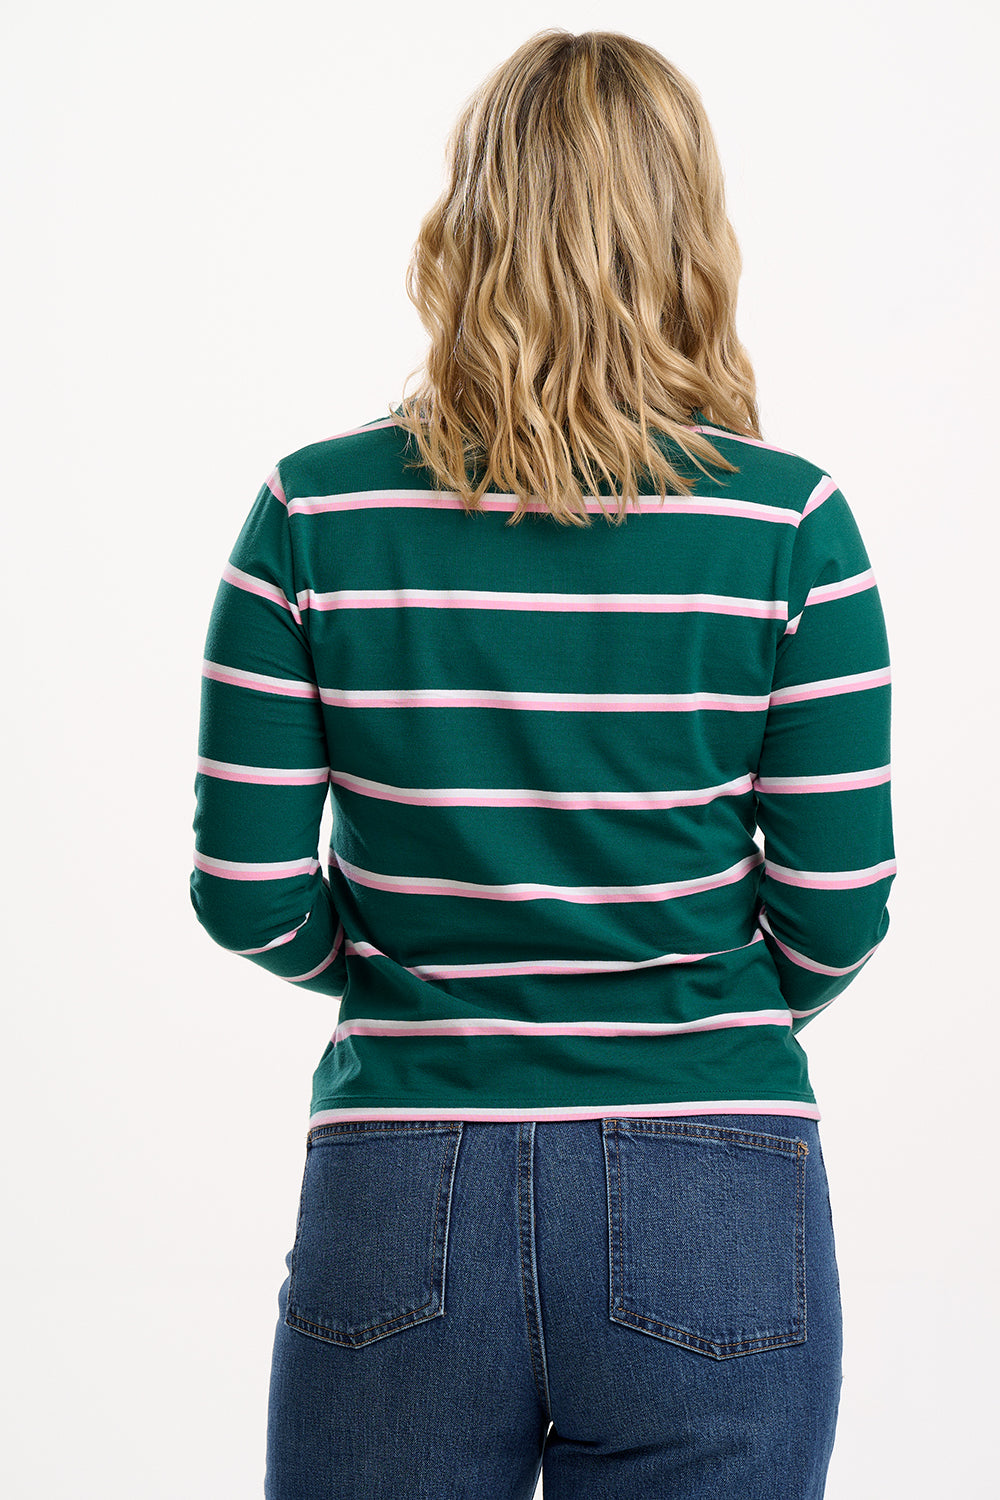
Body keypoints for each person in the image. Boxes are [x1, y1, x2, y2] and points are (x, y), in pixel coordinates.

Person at [190, 27, 895, 1500]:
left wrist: (409, 969)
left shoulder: (309, 518)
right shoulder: (789, 528)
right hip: (716, 1165)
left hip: (402, 1173)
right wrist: (685, 994)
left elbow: (247, 891)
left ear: (466, 221)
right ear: (694, 229)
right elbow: (836, 905)